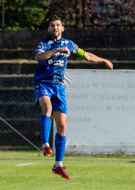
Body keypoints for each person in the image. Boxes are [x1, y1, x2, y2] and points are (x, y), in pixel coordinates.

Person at [34, 15, 112, 179]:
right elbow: (38, 57)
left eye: (58, 25)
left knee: (62, 126)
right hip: (43, 83)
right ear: (49, 29)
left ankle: (58, 165)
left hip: (59, 87)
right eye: (52, 25)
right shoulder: (44, 43)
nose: (55, 28)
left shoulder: (69, 44)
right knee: (47, 107)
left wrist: (103, 60)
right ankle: (45, 144)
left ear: (62, 28)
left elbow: (86, 55)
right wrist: (56, 50)